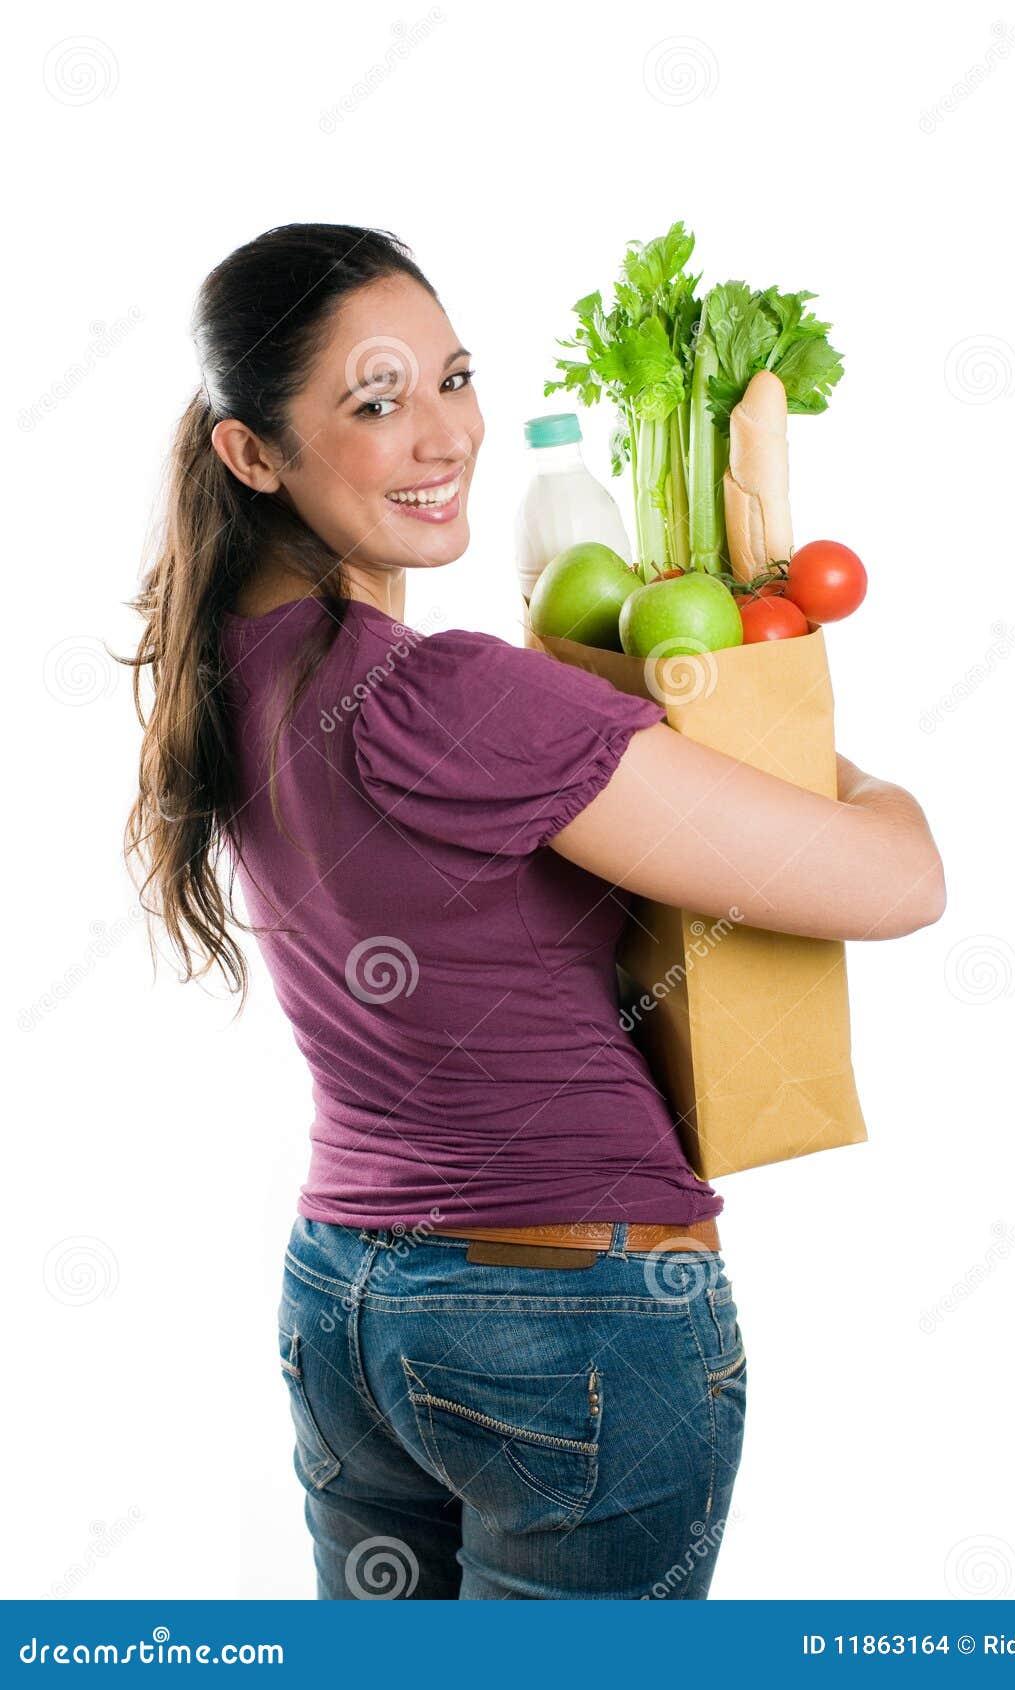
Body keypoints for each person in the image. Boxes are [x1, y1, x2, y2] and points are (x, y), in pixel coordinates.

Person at [123, 223, 945, 1601]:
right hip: (570, 1325)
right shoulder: (453, 696)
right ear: (252, 454)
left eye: (455, 377)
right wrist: (787, 728)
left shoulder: (224, 663)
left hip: (345, 1305)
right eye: (376, 402)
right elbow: (901, 881)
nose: (444, 435)